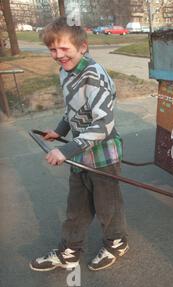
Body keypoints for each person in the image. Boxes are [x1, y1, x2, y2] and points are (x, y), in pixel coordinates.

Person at [30, 17, 129, 272]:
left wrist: (64, 150)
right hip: (79, 154)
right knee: (76, 208)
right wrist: (59, 131)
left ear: (82, 47)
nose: (58, 55)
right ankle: (69, 252)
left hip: (103, 156)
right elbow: (73, 110)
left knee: (108, 208)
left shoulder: (95, 76)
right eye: (53, 49)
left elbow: (103, 125)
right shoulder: (65, 71)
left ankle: (116, 243)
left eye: (64, 49)